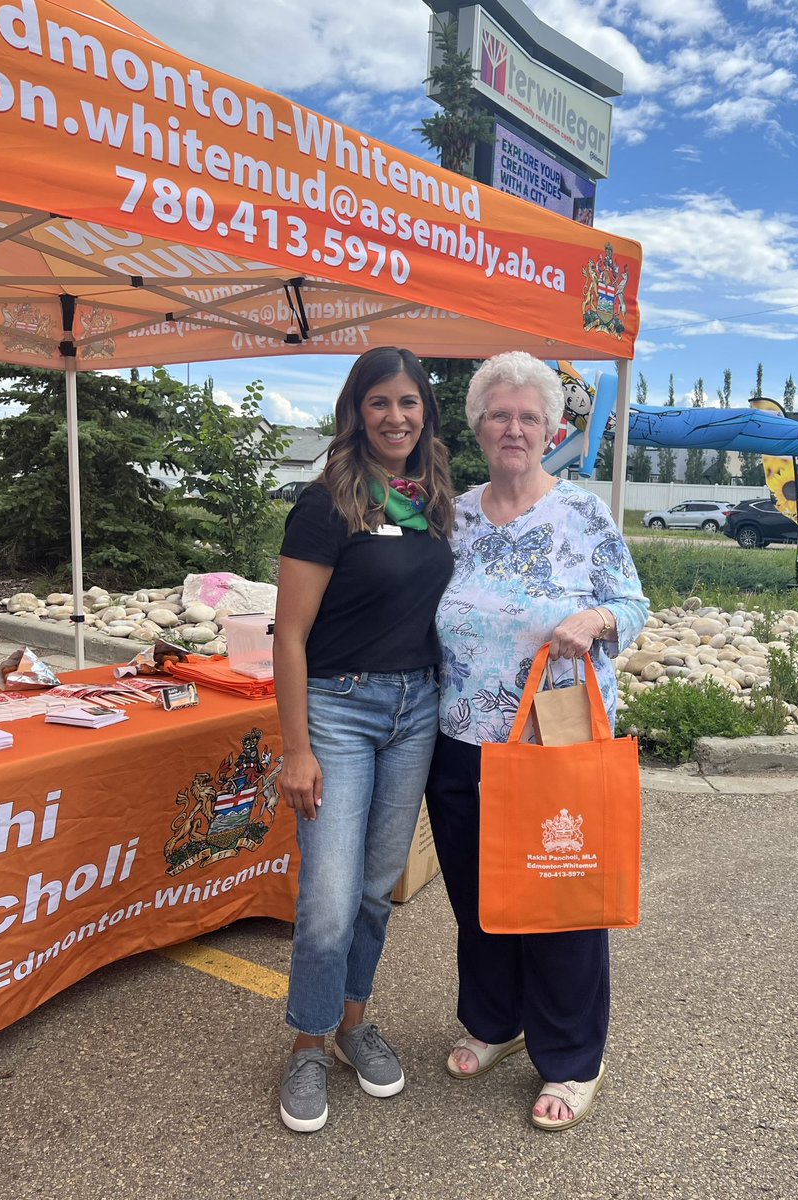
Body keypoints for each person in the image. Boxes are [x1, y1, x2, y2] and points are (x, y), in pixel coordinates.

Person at [425, 351, 649, 1131]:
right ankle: (493, 1020)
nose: (513, 428)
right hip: (458, 737)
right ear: (477, 425)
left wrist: (594, 619)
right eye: (498, 414)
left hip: (553, 740)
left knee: (559, 899)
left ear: (553, 427)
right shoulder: (450, 514)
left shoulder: (581, 514)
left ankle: (570, 1057)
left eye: (528, 416)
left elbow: (632, 601)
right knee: (478, 895)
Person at [273, 346, 454, 1133]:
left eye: (408, 403)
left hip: (416, 708)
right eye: (379, 402)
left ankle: (352, 1023)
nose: (395, 417)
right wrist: (296, 747)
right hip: (337, 713)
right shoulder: (326, 503)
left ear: (426, 414)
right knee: (327, 897)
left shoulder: (434, 499)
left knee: (377, 886)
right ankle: (307, 1044)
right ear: (356, 411)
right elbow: (288, 634)